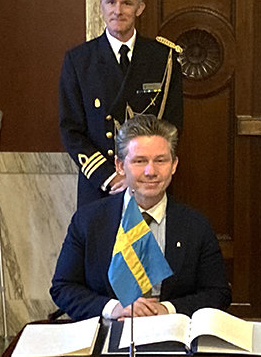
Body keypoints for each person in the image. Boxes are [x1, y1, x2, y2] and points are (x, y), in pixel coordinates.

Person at [50, 114, 231, 321]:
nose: (150, 171)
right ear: (119, 166)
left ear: (174, 165)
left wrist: (168, 309)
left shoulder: (196, 225)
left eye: (160, 160)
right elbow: (63, 288)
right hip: (108, 333)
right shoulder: (88, 220)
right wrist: (115, 308)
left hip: (171, 336)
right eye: (139, 161)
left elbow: (218, 294)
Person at [59, 0, 184, 208]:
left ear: (140, 8)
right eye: (111, 2)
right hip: (100, 186)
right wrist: (110, 176)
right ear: (101, 7)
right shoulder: (79, 61)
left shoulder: (163, 59)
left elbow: (172, 125)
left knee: (150, 245)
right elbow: (71, 130)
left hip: (150, 183)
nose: (118, 10)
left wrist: (140, 174)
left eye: (127, 3)